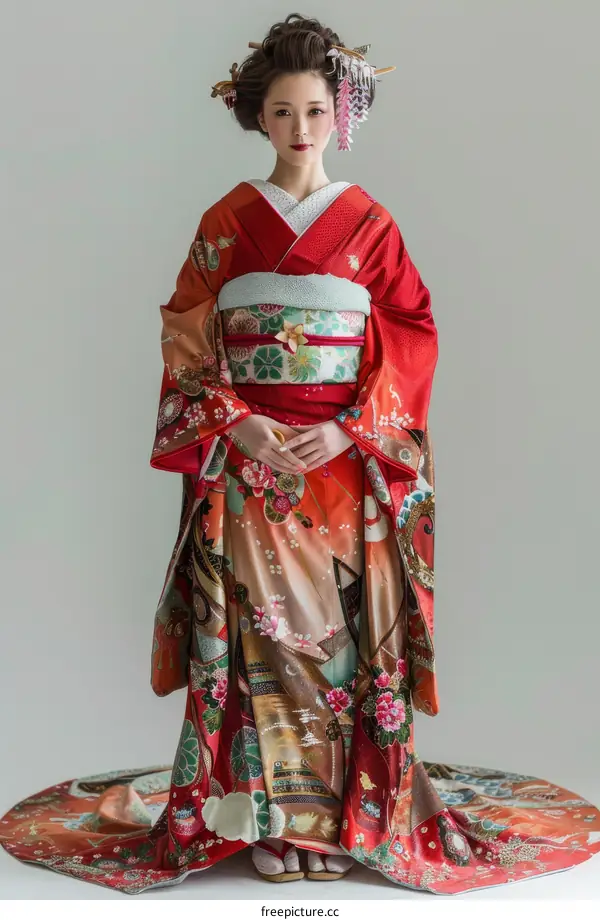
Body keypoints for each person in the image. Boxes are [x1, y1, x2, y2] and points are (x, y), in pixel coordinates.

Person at [1, 12, 599, 897]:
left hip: (340, 464)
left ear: (339, 114)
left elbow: (411, 331)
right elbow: (186, 328)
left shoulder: (370, 223)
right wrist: (235, 420)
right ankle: (266, 819)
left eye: (316, 111)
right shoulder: (228, 219)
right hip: (250, 458)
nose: (300, 128)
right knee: (259, 638)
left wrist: (355, 426)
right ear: (258, 117)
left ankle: (334, 821)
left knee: (341, 644)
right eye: (282, 112)